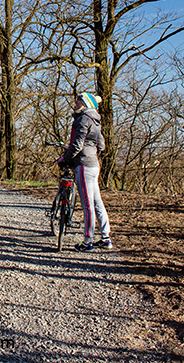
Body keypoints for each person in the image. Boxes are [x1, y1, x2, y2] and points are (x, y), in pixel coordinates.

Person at [57, 92, 112, 252]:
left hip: (83, 165)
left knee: (88, 205)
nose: (75, 102)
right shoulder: (96, 121)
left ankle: (88, 241)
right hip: (94, 165)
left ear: (85, 104)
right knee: (97, 203)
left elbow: (77, 145)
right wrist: (91, 150)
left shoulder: (83, 119)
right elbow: (100, 146)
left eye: (79, 100)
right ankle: (105, 237)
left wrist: (65, 159)